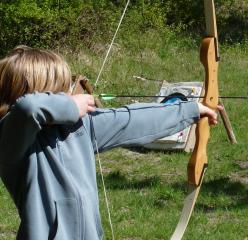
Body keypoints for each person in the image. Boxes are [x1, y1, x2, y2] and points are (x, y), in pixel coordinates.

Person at [0, 46, 218, 239]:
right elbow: (28, 109)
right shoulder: (11, 138)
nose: (69, 91)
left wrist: (191, 110)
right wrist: (70, 106)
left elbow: (130, 120)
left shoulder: (79, 128)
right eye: (61, 88)